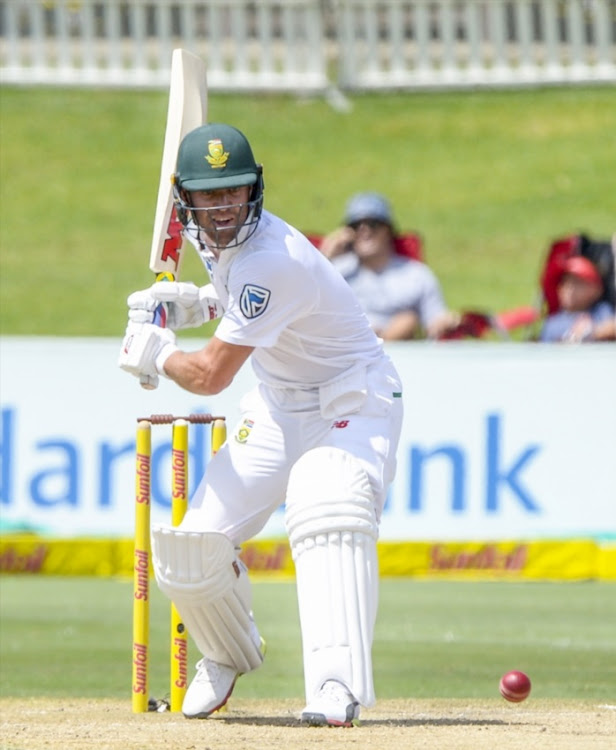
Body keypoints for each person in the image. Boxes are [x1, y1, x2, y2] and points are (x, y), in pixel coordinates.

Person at [118, 123, 403, 727]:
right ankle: (226, 653)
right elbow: (243, 295)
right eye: (209, 194)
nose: (224, 207)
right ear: (186, 199)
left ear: (254, 190)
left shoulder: (269, 257)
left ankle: (336, 687)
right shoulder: (214, 242)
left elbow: (211, 375)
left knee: (328, 501)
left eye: (235, 191)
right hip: (278, 406)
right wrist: (198, 301)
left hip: (349, 401)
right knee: (190, 553)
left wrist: (156, 350)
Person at [319, 192, 459, 340]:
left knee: (407, 320)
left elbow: (435, 321)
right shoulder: (335, 271)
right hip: (347, 347)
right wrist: (326, 257)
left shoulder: (416, 275)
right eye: (355, 226)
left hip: (401, 354)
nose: (364, 231)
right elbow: (306, 301)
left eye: (373, 224)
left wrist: (446, 322)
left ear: (388, 230)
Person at [539, 255, 615, 343]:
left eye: (577, 283)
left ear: (595, 290)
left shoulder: (601, 311)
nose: (569, 289)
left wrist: (592, 333)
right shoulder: (553, 323)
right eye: (564, 282)